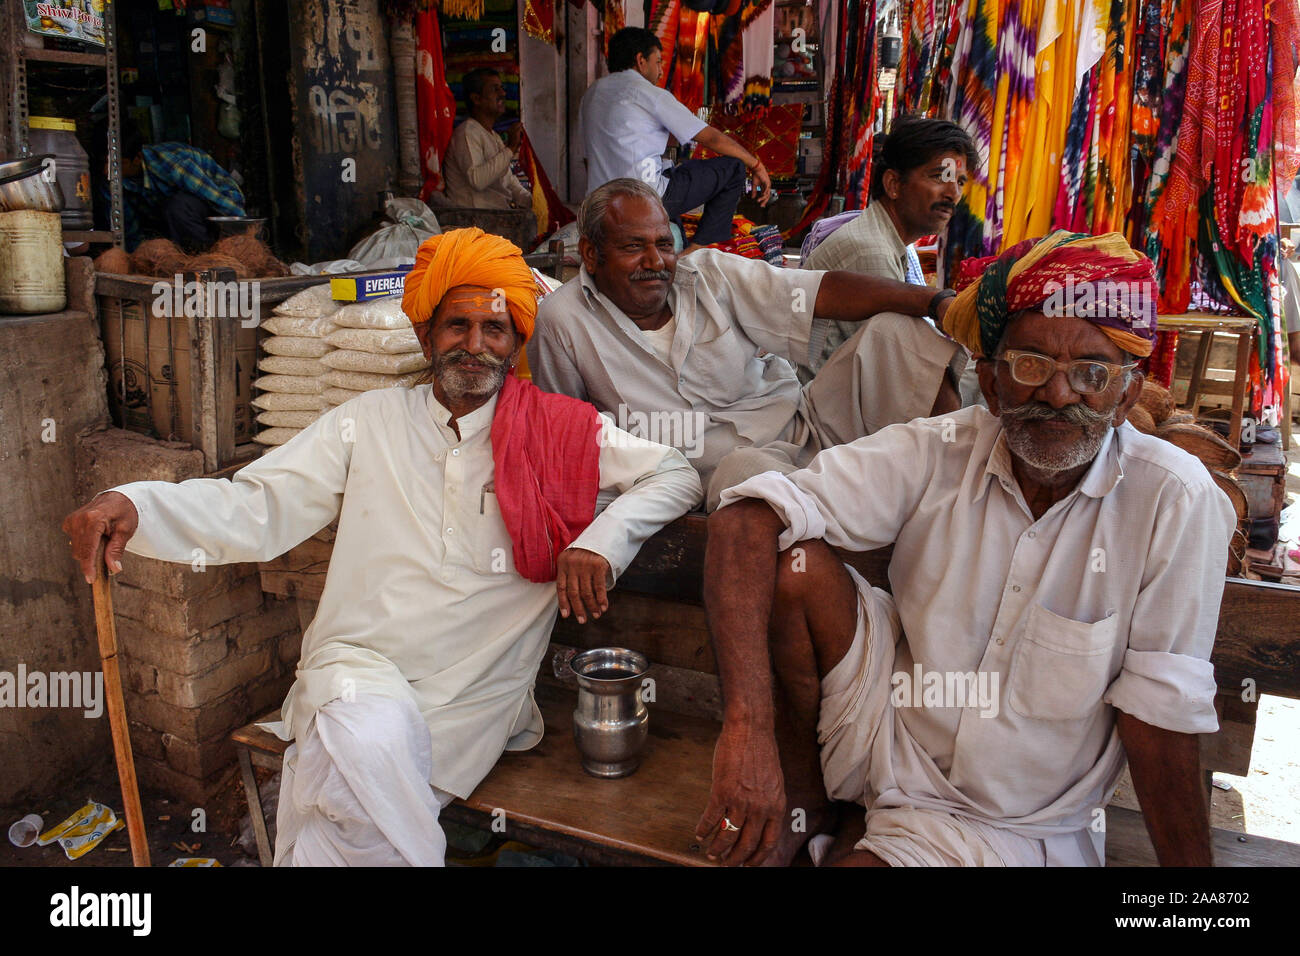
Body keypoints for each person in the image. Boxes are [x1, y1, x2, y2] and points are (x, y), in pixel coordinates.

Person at [62, 228, 702, 867]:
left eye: (495, 329)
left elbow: (676, 471)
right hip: (358, 671)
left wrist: (601, 543)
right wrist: (139, 505)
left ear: (516, 343)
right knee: (355, 755)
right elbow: (256, 505)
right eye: (458, 326)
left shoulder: (562, 431)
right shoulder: (366, 421)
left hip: (474, 695)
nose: (475, 346)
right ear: (426, 336)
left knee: (336, 796)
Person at [696, 231, 1236, 868]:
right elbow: (743, 520)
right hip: (884, 735)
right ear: (990, 379)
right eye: (1031, 365)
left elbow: (1159, 713)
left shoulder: (1173, 498)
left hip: (1010, 821)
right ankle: (812, 803)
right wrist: (747, 732)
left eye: (1091, 374)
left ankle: (856, 830)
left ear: (1124, 397)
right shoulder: (939, 447)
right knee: (794, 563)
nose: (1059, 395)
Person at [529, 178, 966, 510]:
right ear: (590, 255)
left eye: (664, 244)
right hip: (721, 476)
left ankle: (960, 496)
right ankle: (862, 509)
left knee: (898, 334)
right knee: (751, 479)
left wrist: (934, 299)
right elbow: (569, 436)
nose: (655, 261)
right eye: (633, 247)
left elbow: (821, 292)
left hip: (808, 428)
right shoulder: (564, 322)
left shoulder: (709, 274)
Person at [802, 116, 979, 378]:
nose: (952, 193)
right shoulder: (871, 252)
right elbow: (898, 373)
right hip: (825, 409)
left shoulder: (888, 240)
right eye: (939, 177)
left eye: (960, 182)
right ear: (894, 184)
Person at [579, 27, 773, 253]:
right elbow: (710, 137)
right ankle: (697, 251)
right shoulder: (647, 92)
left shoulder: (591, 95)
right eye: (658, 62)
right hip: (642, 199)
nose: (661, 71)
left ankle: (678, 241)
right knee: (733, 168)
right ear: (641, 60)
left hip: (599, 204)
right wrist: (756, 165)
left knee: (675, 173)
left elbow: (588, 160)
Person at [118, 126, 245, 252]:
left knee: (177, 206)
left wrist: (246, 233)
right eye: (105, 163)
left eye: (118, 164)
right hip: (179, 222)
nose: (107, 170)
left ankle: (206, 258)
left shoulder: (171, 163)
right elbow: (131, 232)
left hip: (218, 204)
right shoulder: (114, 181)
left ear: (137, 159)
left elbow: (220, 201)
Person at [442, 68, 537, 228]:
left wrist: (538, 203)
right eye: (495, 89)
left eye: (502, 88)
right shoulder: (467, 133)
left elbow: (509, 182)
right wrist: (511, 148)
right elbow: (478, 180)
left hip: (493, 221)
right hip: (472, 224)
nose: (503, 94)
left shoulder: (493, 137)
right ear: (476, 98)